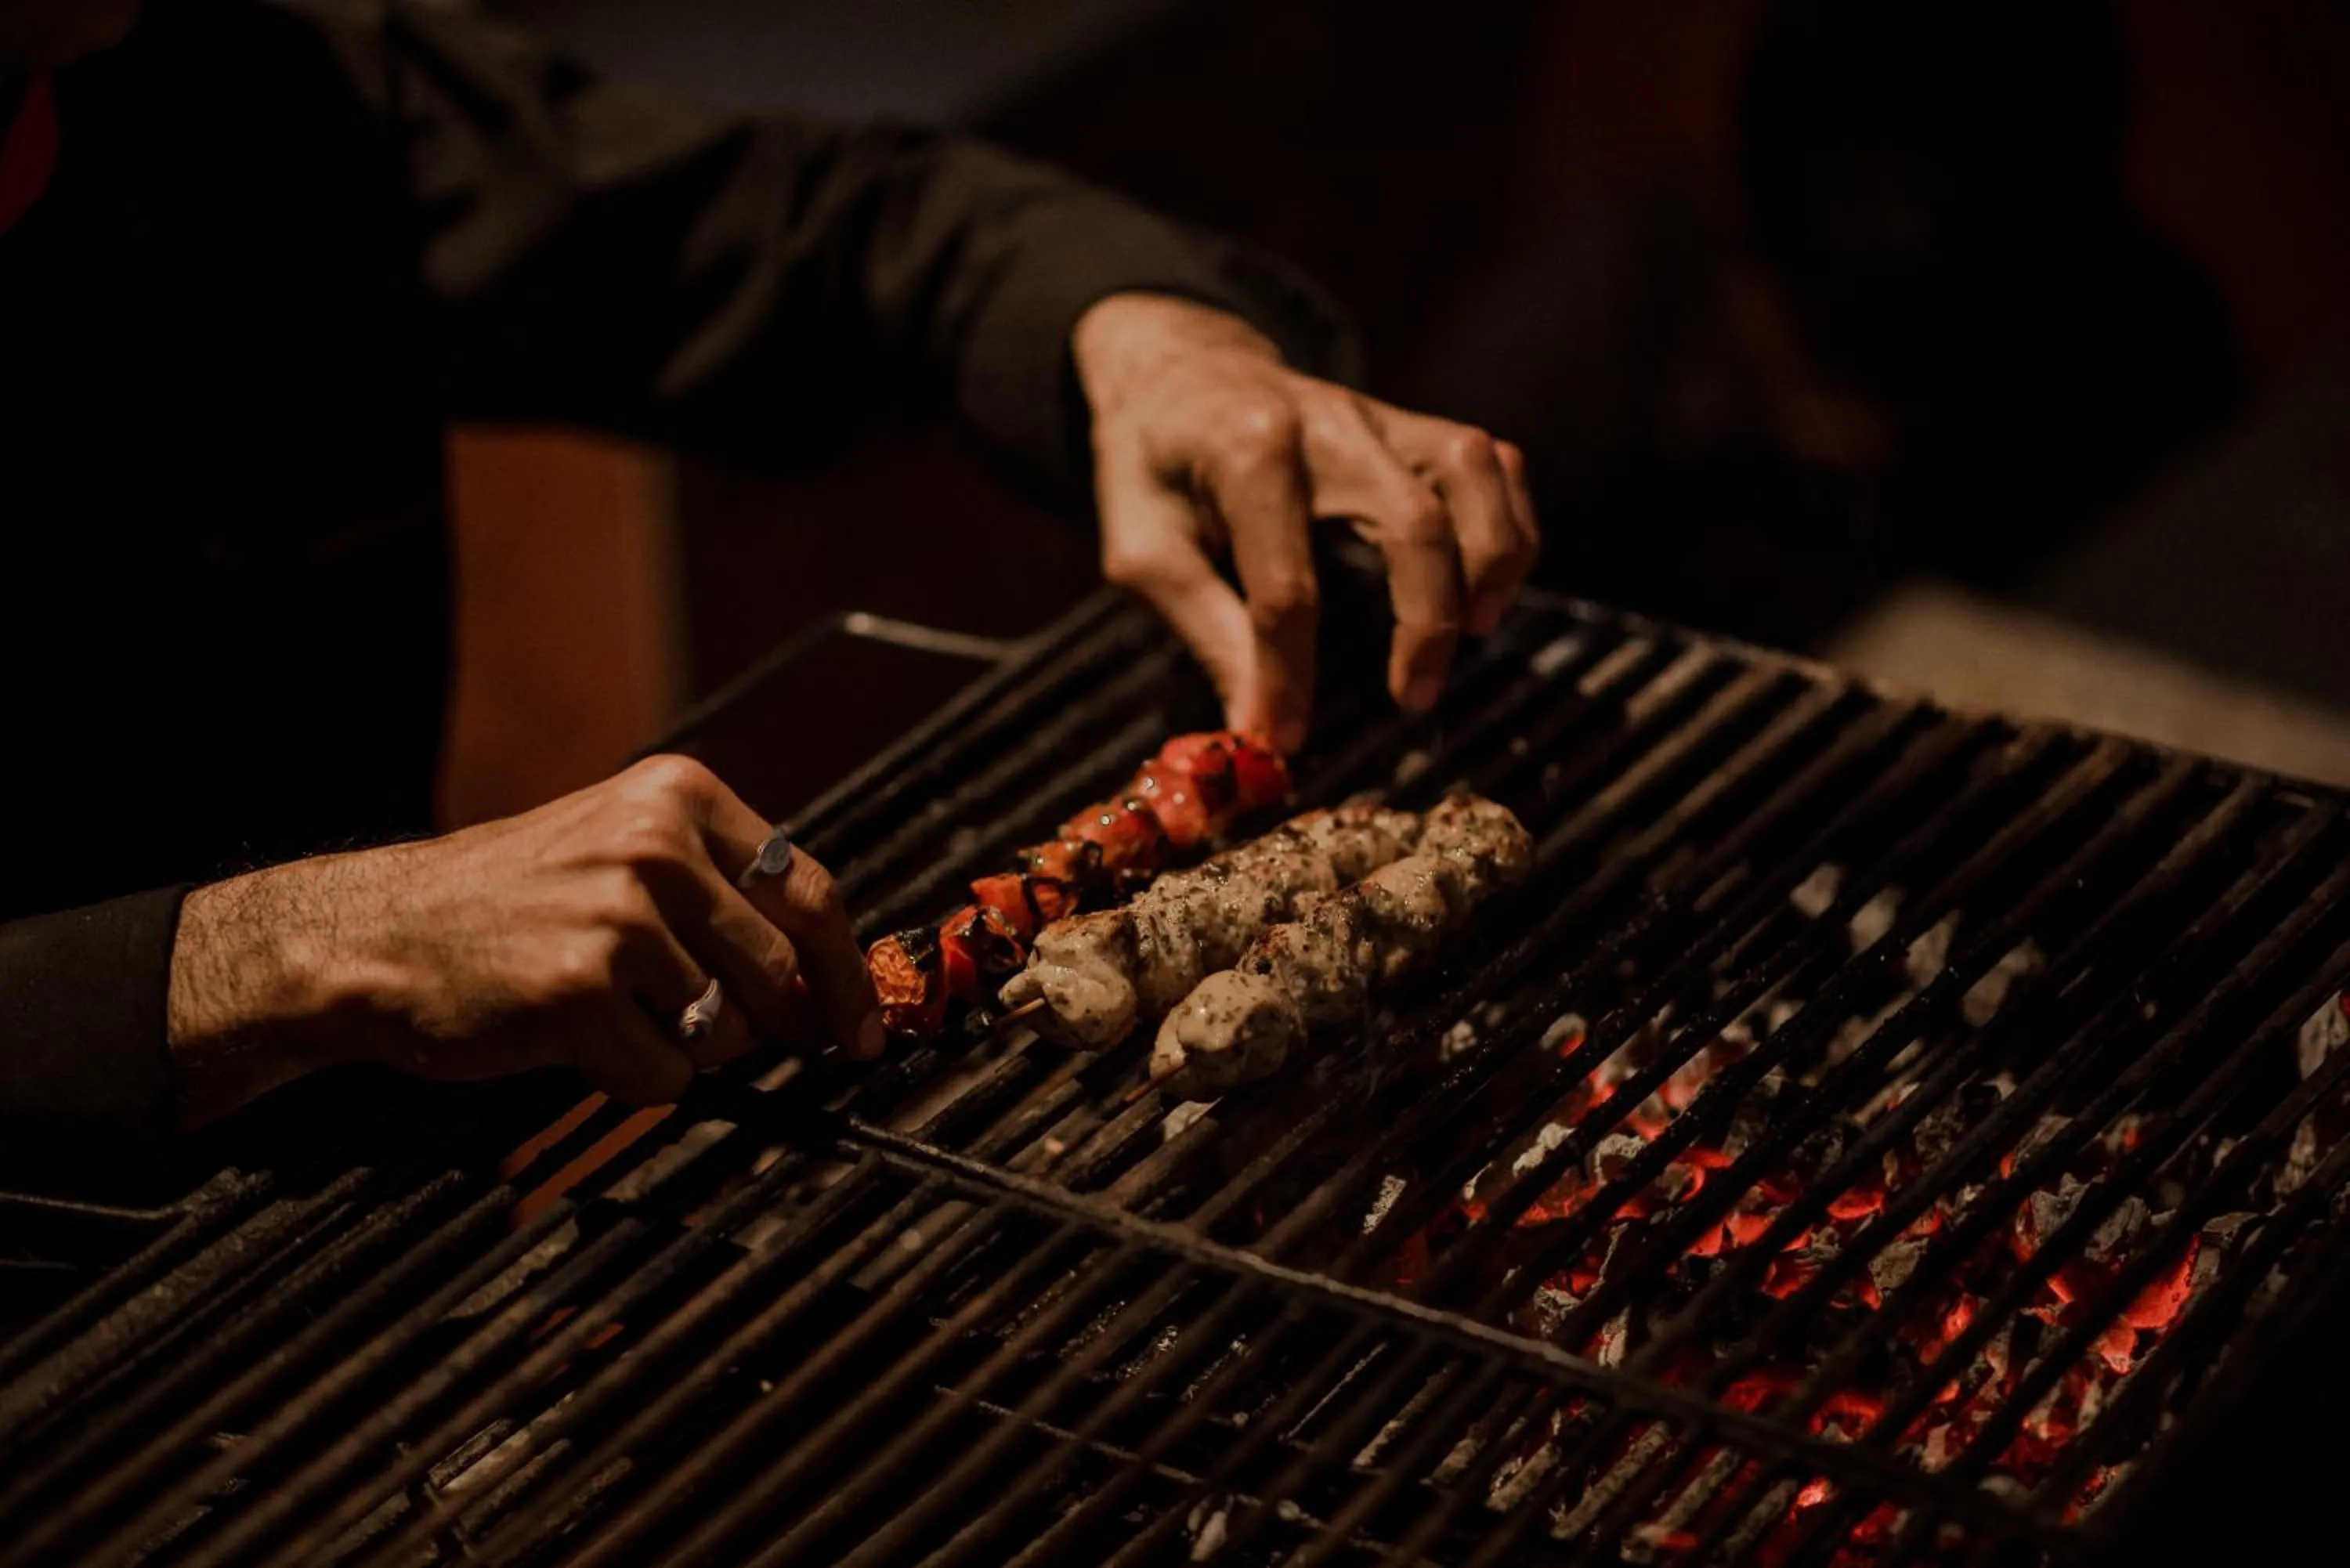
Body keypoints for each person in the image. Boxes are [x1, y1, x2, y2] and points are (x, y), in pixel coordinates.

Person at [0, 0, 1538, 1180]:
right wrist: (284, 949)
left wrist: (1142, 340)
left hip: (379, 1258)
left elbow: (852, 231)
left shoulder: (230, 86)